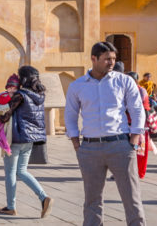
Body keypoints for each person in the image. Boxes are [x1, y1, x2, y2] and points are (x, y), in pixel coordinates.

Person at [65, 41, 146, 226]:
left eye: (114, 59)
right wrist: (76, 144)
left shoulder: (124, 81)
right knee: (92, 200)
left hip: (120, 145)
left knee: (131, 198)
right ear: (94, 59)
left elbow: (137, 109)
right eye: (107, 59)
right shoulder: (78, 86)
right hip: (90, 148)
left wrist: (134, 139)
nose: (111, 62)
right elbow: (70, 114)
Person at [0, 66, 51, 217]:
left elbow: (7, 114)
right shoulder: (39, 95)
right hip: (30, 140)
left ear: (24, 78)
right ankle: (43, 197)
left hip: (17, 138)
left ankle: (11, 206)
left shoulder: (20, 95)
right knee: (22, 171)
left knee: (10, 172)